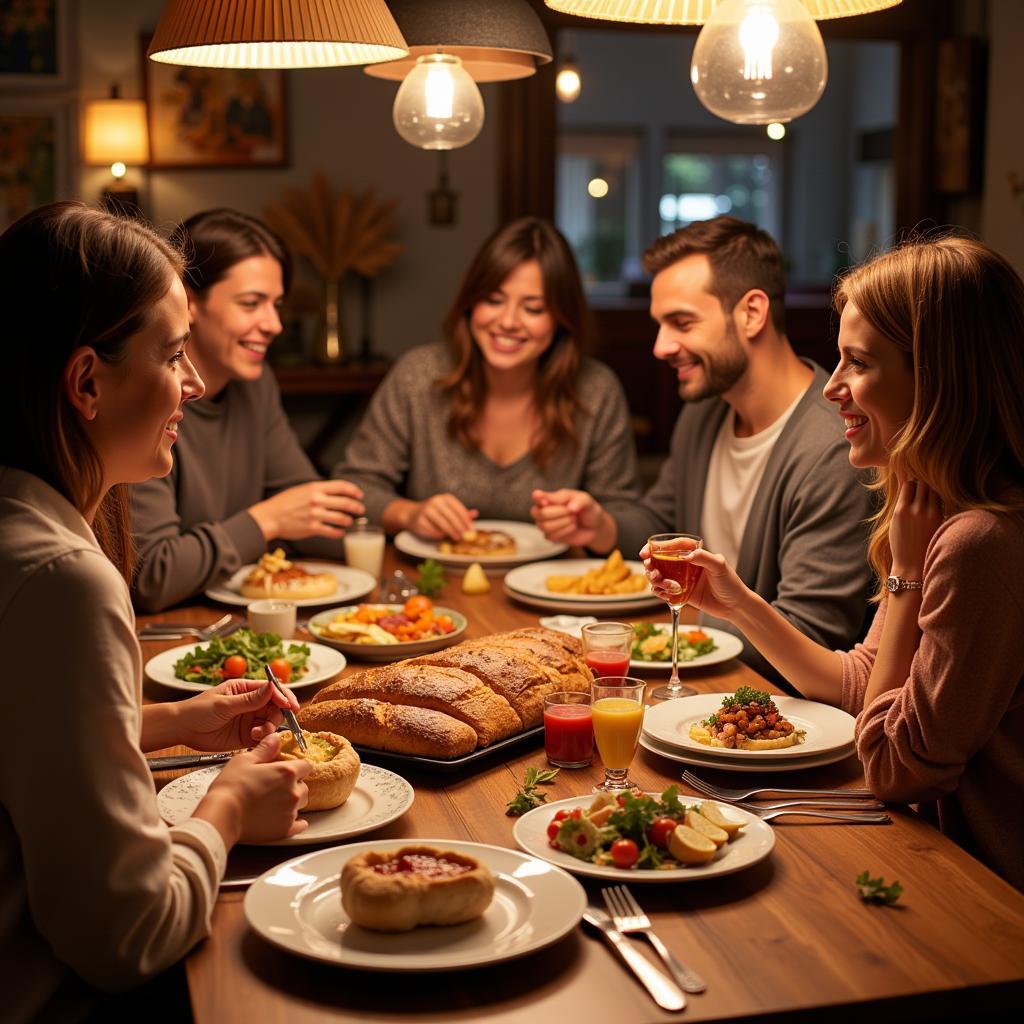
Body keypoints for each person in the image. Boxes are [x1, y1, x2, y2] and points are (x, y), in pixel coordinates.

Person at [0, 202, 313, 1021]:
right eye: (174, 355)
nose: (196, 385)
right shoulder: (64, 579)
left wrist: (170, 723)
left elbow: (21, 741)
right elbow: (127, 936)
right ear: (87, 382)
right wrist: (232, 806)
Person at [645, 236, 1024, 891]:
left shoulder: (979, 542)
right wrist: (737, 602)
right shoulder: (930, 508)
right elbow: (859, 686)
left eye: (859, 363)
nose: (835, 388)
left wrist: (904, 582)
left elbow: (893, 766)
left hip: (981, 889)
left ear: (934, 378)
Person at [532, 216, 874, 679]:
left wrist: (681, 623)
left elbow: (811, 636)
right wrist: (601, 526)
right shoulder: (704, 412)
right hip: (694, 671)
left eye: (682, 322)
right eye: (660, 324)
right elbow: (662, 524)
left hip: (761, 702)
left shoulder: (833, 447)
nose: (660, 346)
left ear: (752, 313)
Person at [333, 217, 639, 539]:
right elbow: (355, 491)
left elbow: (626, 518)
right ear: (470, 302)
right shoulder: (418, 376)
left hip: (554, 584)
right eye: (493, 300)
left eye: (533, 309)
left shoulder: (595, 390)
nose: (508, 322)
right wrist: (409, 514)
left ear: (562, 319)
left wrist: (595, 523)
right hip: (432, 581)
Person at [130, 208, 365, 612]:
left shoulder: (255, 387)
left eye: (276, 304)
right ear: (189, 301)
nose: (274, 324)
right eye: (252, 303)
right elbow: (150, 575)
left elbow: (309, 508)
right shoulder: (145, 396)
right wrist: (267, 522)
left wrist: (398, 519)